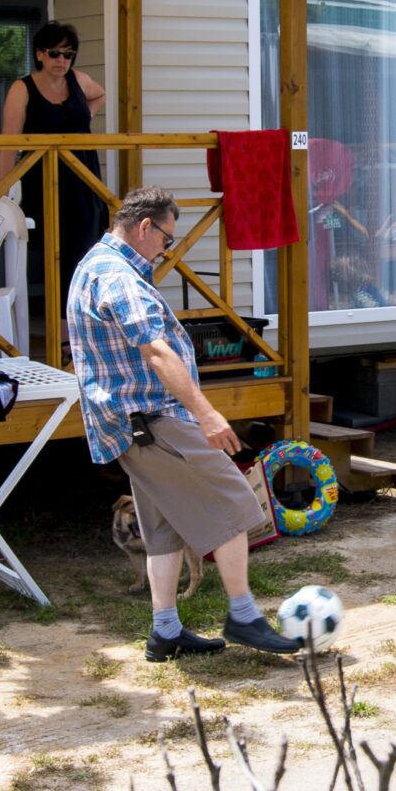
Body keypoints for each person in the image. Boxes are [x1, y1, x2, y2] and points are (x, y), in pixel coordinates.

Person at [66, 185, 300, 661]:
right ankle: (243, 616)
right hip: (152, 420)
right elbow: (155, 350)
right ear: (144, 227)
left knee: (165, 525)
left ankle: (166, 631)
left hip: (129, 422)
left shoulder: (96, 263)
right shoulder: (119, 277)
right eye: (166, 239)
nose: (166, 248)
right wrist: (206, 412)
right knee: (235, 500)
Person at [1, 22, 108, 293]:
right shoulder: (22, 88)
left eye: (68, 54)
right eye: (54, 53)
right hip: (43, 177)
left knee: (84, 246)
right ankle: (57, 330)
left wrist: (88, 114)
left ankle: (73, 328)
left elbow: (100, 94)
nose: (61, 60)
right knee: (52, 250)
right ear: (39, 54)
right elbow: (8, 144)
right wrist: (0, 194)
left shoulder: (80, 81)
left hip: (83, 175)